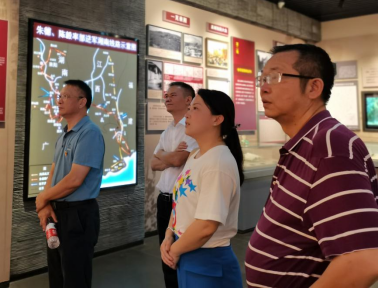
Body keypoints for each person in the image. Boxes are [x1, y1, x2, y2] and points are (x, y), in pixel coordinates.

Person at [245, 44, 378, 287]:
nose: (263, 87)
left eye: (275, 77)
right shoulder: (308, 143)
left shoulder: (330, 147)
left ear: (314, 87)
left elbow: (362, 260)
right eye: (262, 79)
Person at [161, 89, 244, 287]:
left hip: (208, 260)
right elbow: (180, 201)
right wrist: (169, 234)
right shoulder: (196, 155)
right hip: (187, 250)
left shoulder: (218, 162)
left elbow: (206, 226)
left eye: (195, 108)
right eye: (189, 108)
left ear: (217, 119)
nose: (187, 114)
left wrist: (174, 250)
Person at [35, 79, 105, 288]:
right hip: (59, 212)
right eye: (59, 96)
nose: (59, 101)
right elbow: (54, 172)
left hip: (78, 215)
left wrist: (42, 198)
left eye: (65, 96)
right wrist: (45, 203)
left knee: (75, 278)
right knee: (57, 275)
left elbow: (75, 180)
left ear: (82, 102)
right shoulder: (64, 134)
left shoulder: (89, 133)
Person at [150, 82, 199, 288]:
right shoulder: (168, 130)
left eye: (173, 95)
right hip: (164, 199)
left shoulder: (192, 128)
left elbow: (178, 160)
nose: (167, 98)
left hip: (182, 201)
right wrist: (169, 156)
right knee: (166, 254)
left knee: (182, 255)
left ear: (188, 100)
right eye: (166, 95)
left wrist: (164, 155)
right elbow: (153, 163)